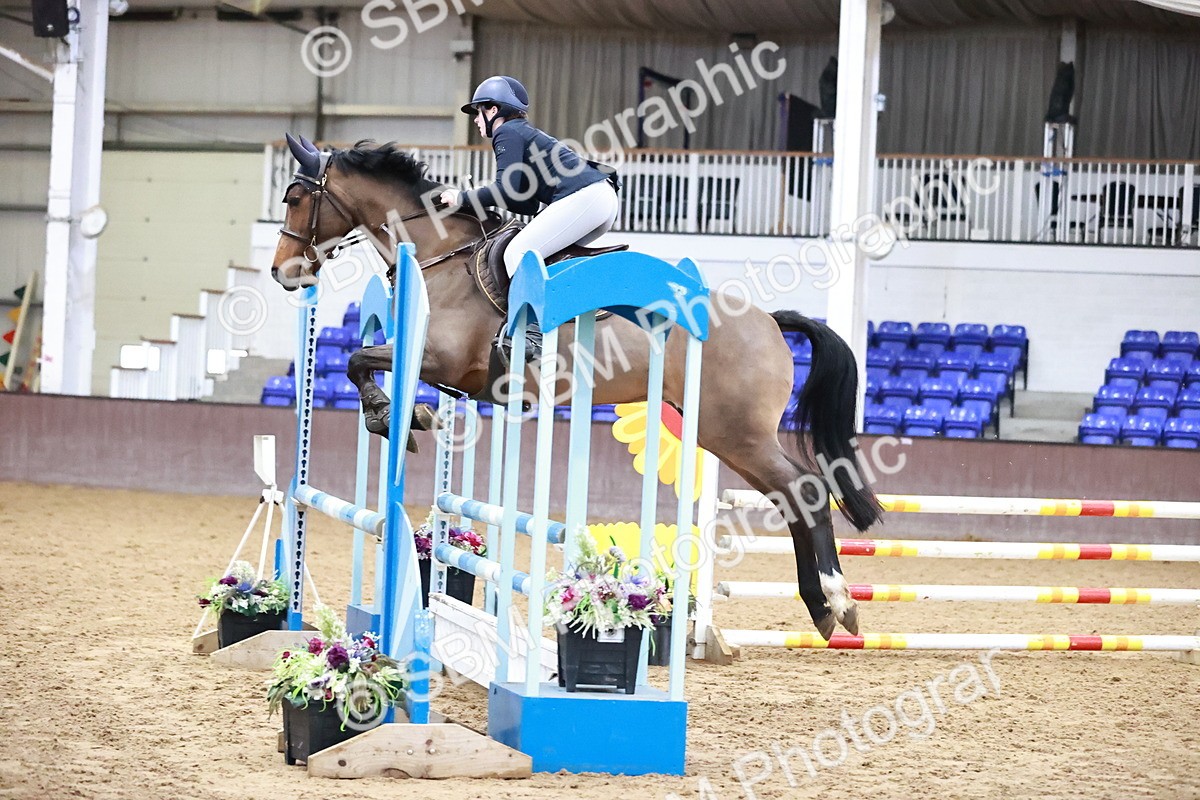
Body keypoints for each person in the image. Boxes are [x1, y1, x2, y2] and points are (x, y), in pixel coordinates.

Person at [439, 75, 620, 363]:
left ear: (493, 110)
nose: (475, 120)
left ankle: (532, 335)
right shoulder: (520, 133)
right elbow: (523, 201)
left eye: (478, 112)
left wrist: (462, 198)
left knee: (517, 253)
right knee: (545, 258)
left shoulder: (507, 132)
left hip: (587, 197)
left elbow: (505, 189)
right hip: (599, 201)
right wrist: (476, 202)